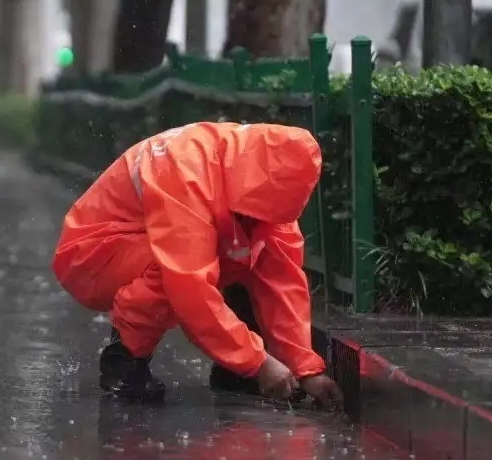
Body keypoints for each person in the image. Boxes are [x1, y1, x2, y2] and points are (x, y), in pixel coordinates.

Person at [52, 122, 344, 408]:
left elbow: (283, 283)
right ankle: (125, 360)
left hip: (134, 246)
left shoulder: (264, 179)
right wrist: (258, 362)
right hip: (90, 257)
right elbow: (189, 285)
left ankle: (235, 369)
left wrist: (306, 369)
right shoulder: (188, 171)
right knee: (179, 267)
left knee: (252, 247)